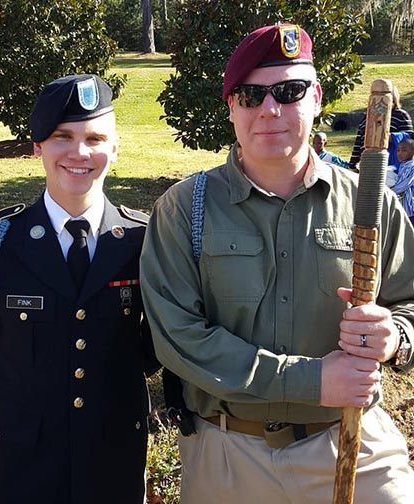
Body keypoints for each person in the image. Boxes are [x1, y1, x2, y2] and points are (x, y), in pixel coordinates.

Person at [140, 24, 414, 503]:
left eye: (289, 92)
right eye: (250, 95)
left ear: (316, 98)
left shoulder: (369, 204)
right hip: (228, 457)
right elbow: (179, 340)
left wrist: (395, 336)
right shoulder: (186, 210)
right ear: (230, 108)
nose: (269, 110)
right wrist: (312, 380)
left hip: (351, 445)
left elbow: (411, 303)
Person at [0, 74, 158, 504]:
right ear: (37, 147)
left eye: (95, 137)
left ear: (116, 147)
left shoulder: (143, 242)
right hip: (20, 464)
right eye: (62, 137)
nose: (80, 152)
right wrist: (12, 384)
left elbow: (157, 342)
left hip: (112, 460)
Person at [349, 84, 413, 170]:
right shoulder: (367, 116)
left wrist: (390, 137)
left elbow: (409, 141)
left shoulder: (401, 115)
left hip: (391, 166)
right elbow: (359, 141)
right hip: (367, 163)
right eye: (375, 94)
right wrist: (353, 164)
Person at [391, 137, 414, 226]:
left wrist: (388, 191)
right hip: (403, 207)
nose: (400, 153)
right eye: (398, 150)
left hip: (410, 208)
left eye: (404, 150)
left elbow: (403, 185)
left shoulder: (412, 166)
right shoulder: (402, 165)